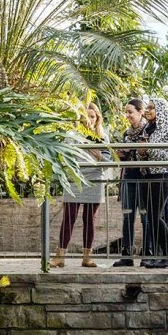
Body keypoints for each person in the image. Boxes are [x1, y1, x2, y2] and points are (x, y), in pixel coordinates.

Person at [53, 103, 111, 268]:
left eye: (92, 116)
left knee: (89, 219)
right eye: (86, 116)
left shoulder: (102, 137)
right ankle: (60, 256)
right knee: (69, 217)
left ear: (97, 118)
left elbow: (109, 162)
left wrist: (99, 155)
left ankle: (87, 256)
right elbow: (63, 156)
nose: (89, 120)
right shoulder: (72, 134)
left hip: (94, 179)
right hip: (75, 179)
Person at [114, 99, 149, 266]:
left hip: (144, 177)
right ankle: (127, 253)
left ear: (140, 112)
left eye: (130, 112)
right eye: (126, 112)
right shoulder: (126, 133)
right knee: (128, 215)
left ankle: (148, 252)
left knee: (145, 216)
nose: (127, 115)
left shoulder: (148, 130)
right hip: (129, 176)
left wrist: (135, 149)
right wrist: (121, 153)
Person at [141, 96, 168, 268]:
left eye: (151, 107)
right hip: (148, 176)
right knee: (151, 217)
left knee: (156, 215)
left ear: (160, 111)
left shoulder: (167, 131)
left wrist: (149, 150)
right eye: (147, 107)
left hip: (161, 176)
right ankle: (159, 253)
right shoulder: (148, 130)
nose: (147, 110)